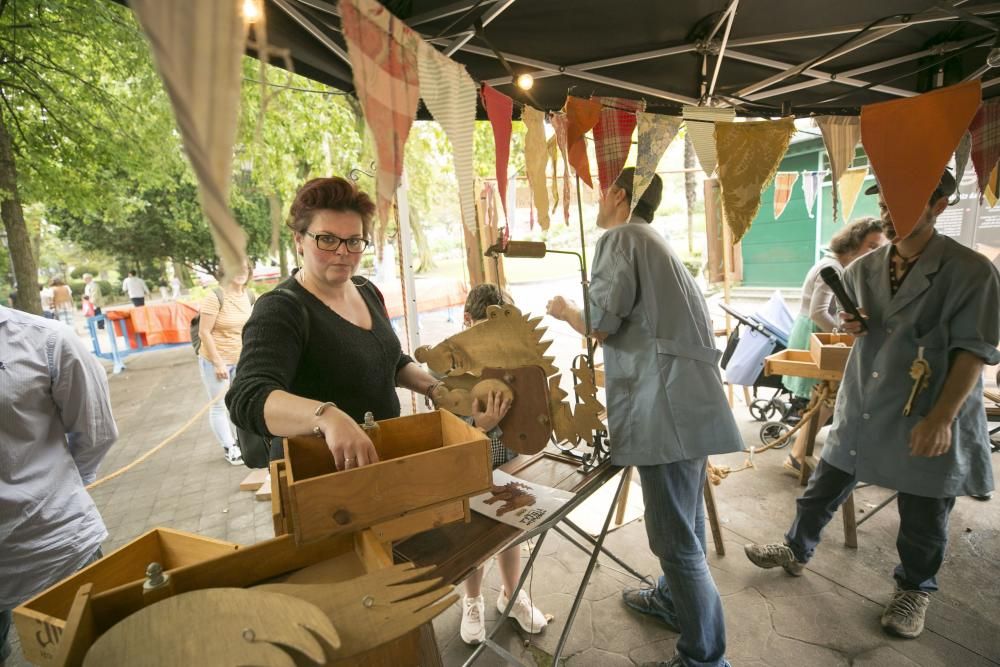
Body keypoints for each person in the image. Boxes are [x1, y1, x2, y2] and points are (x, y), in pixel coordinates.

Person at [744, 170, 999, 640]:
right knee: (826, 482)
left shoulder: (971, 272)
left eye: (904, 203)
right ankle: (796, 549)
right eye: (885, 202)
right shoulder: (863, 269)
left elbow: (975, 350)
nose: (888, 212)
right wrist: (852, 325)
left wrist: (942, 417)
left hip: (929, 409)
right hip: (867, 402)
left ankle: (914, 588)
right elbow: (860, 326)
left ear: (939, 207)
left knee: (923, 512)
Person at [546, 167, 743, 667]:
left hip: (666, 409)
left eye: (599, 192)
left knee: (674, 540)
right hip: (686, 403)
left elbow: (602, 324)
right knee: (688, 525)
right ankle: (674, 602)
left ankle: (704, 657)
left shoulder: (622, 237)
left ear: (617, 195)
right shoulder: (656, 240)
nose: (597, 201)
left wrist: (567, 308)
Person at [226, 176, 441, 469]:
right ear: (299, 240)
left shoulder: (367, 290)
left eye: (354, 240)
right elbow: (247, 396)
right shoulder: (280, 309)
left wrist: (433, 388)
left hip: (382, 459)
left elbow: (389, 361)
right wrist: (326, 417)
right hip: (320, 476)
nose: (343, 251)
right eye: (327, 239)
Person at [0, 304, 118, 665]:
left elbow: (96, 432)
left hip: (54, 547)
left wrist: (50, 494)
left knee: (95, 656)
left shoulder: (46, 340)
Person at [455, 284, 548, 644]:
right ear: (468, 322)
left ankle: (512, 593)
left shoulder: (511, 360)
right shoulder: (451, 368)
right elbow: (444, 427)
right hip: (467, 468)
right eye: (487, 330)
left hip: (508, 464)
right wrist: (479, 426)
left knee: (510, 532)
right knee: (473, 536)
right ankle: (472, 600)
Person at [781, 218, 885, 476]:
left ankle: (798, 454)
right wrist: (841, 335)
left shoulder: (836, 265)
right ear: (853, 244)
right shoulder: (834, 269)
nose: (875, 253)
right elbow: (818, 312)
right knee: (828, 397)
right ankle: (797, 456)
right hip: (816, 335)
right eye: (871, 247)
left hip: (816, 333)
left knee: (825, 397)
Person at [198, 264, 255, 465]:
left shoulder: (249, 296)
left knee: (241, 402)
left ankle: (246, 443)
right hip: (216, 360)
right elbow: (204, 332)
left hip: (241, 359)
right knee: (219, 405)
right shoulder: (215, 297)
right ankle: (230, 447)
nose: (241, 272)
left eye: (245, 269)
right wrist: (218, 363)